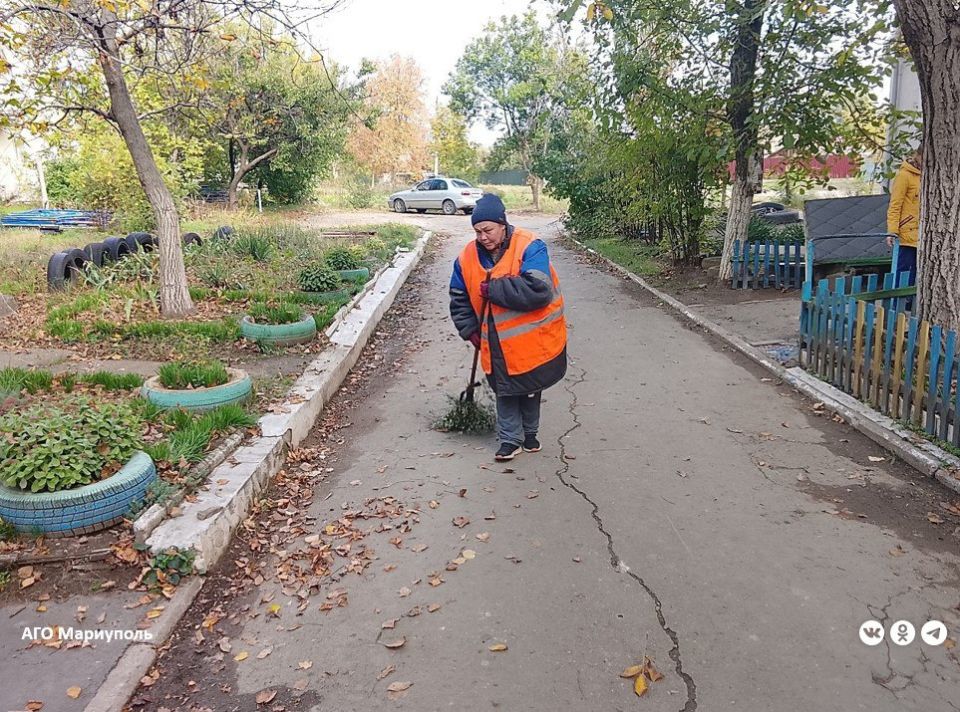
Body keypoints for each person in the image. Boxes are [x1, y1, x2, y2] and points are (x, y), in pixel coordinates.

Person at [449, 193, 567, 461]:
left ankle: (530, 434)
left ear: (503, 224)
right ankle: (509, 439)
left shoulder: (530, 246)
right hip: (495, 342)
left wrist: (495, 288)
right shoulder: (466, 258)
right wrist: (470, 330)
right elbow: (458, 299)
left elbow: (539, 289)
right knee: (504, 390)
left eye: (487, 230)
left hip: (532, 342)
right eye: (477, 231)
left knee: (529, 389)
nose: (482, 237)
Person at [886, 145, 922, 286]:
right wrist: (892, 231)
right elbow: (895, 205)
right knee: (904, 272)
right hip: (907, 233)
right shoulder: (904, 175)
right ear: (917, 155)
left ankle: (910, 305)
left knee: (918, 273)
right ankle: (897, 306)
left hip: (924, 233)